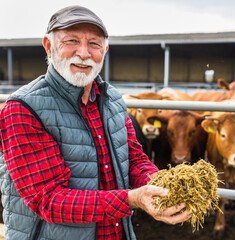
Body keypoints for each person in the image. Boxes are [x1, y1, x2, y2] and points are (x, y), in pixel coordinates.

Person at [0, 5, 192, 240]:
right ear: (49, 47)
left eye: (94, 43)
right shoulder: (23, 108)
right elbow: (49, 200)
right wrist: (134, 199)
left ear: (105, 49)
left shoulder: (113, 101)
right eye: (71, 41)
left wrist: (162, 185)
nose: (83, 53)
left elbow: (133, 159)